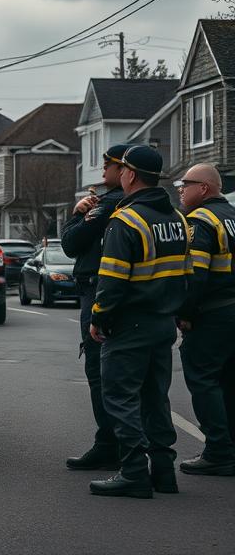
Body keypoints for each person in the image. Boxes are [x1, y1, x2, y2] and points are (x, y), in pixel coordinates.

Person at [88, 145, 189, 498]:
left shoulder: (127, 220)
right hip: (164, 323)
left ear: (129, 175)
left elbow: (112, 279)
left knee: (119, 397)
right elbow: (185, 274)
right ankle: (164, 473)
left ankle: (133, 472)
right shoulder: (177, 219)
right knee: (155, 399)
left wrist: (99, 317)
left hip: (131, 325)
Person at [60, 144, 127, 471]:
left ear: (124, 170)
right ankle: (150, 456)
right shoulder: (156, 207)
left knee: (100, 373)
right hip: (136, 300)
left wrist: (76, 214)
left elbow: (72, 244)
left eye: (107, 166)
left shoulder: (107, 204)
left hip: (100, 291)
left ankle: (108, 445)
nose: (103, 173)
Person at [174, 163, 235, 476]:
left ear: (204, 188)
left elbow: (195, 274)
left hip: (213, 314)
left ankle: (219, 452)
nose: (181, 191)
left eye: (185, 184)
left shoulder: (200, 220)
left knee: (204, 379)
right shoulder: (232, 216)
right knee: (229, 381)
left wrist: (184, 313)